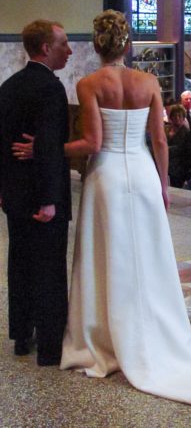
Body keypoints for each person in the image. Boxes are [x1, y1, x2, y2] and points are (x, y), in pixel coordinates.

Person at [15, 11, 191, 405]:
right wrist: (164, 184)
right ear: (127, 45)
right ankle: (152, 332)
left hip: (106, 180)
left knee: (106, 257)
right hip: (142, 173)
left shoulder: (89, 83)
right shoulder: (149, 82)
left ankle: (103, 335)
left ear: (97, 47)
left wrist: (45, 150)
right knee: (150, 257)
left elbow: (93, 143)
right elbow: (160, 140)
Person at [0, 20, 72, 366]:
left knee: (20, 264)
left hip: (14, 195)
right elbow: (49, 146)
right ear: (45, 47)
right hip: (43, 197)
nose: (69, 51)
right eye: (63, 44)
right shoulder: (50, 89)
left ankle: (20, 337)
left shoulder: (9, 86)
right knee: (49, 270)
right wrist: (49, 199)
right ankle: (48, 347)